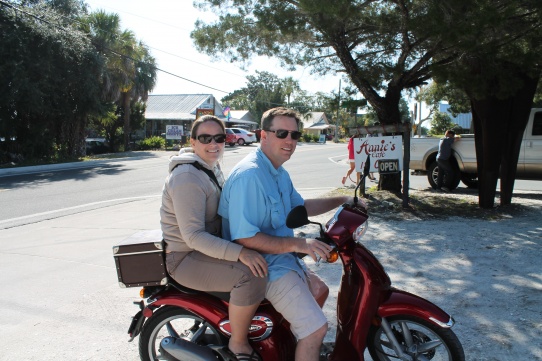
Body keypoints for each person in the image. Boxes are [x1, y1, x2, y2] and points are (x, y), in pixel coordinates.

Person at [219, 107, 359, 361]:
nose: (289, 141)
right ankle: (307, 341)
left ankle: (290, 345)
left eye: (295, 135)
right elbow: (244, 238)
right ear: (263, 135)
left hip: (283, 259)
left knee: (320, 290)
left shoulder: (278, 172)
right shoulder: (250, 176)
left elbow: (301, 207)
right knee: (316, 329)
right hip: (263, 267)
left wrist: (343, 199)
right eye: (281, 133)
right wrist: (300, 244)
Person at [160, 115, 268, 360]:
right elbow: (194, 236)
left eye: (219, 138)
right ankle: (238, 344)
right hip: (185, 257)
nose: (213, 144)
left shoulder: (209, 167)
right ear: (193, 141)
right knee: (251, 275)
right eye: (205, 138)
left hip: (203, 251)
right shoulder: (187, 176)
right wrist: (241, 252)